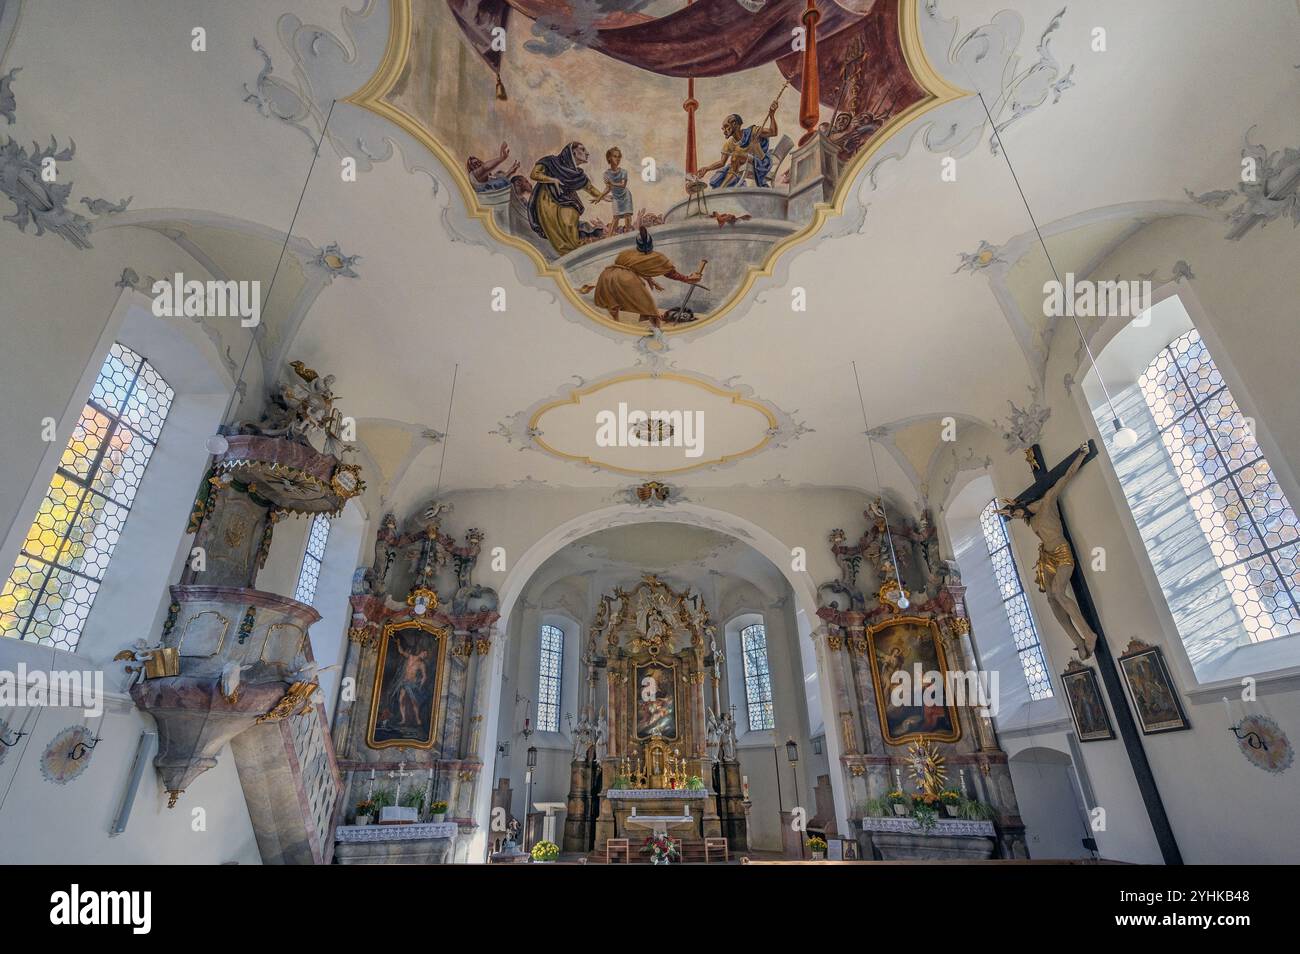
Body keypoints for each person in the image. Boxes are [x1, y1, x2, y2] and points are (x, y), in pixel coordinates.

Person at [998, 444, 1099, 658]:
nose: (1013, 517)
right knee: (1052, 600)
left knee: (1059, 592)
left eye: (1014, 514)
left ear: (1021, 506)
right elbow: (1018, 514)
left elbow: (1066, 476)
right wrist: (1013, 510)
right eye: (1012, 516)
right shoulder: (1030, 520)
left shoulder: (1047, 502)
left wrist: (1081, 453)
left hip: (1062, 552)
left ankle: (1089, 635)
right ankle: (1077, 641)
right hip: (1047, 556)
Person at [578, 227, 703, 328]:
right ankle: (657, 329)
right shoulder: (657, 257)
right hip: (626, 280)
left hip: (606, 277)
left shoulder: (625, 253)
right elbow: (671, 273)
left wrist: (650, 280)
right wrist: (687, 278)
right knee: (649, 307)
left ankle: (616, 323)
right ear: (651, 244)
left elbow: (632, 268)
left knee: (613, 303)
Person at [528, 141, 605, 255]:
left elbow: (589, 188)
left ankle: (575, 249)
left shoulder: (578, 174)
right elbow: (534, 174)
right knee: (565, 224)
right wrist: (552, 179)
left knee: (571, 219)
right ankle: (572, 251)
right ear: (573, 152)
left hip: (568, 199)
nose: (587, 153)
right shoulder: (551, 162)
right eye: (583, 150)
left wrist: (602, 195)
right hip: (549, 199)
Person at [696, 103, 779, 188]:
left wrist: (772, 115)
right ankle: (726, 187)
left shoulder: (753, 131)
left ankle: (722, 188)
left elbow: (773, 132)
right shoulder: (729, 143)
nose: (724, 131)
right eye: (723, 128)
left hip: (760, 161)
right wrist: (707, 168)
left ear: (734, 124)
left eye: (726, 127)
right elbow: (722, 162)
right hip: (743, 162)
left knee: (735, 156)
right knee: (718, 178)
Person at [600, 147, 634, 234]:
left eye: (619, 157)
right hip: (616, 197)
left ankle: (628, 235)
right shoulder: (606, 174)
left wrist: (612, 183)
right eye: (615, 156)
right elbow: (608, 188)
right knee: (616, 217)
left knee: (627, 216)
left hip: (625, 195)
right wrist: (599, 197)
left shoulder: (623, 172)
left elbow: (623, 185)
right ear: (609, 158)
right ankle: (609, 237)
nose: (617, 159)